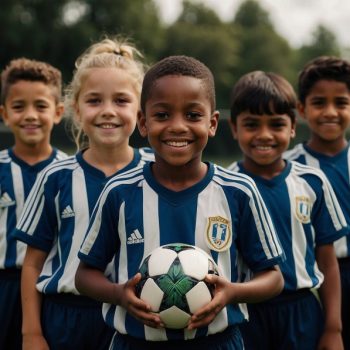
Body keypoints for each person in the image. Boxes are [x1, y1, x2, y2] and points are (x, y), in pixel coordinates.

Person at [74, 55, 284, 350]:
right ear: (143, 123)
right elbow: (84, 275)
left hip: (217, 342)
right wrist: (120, 294)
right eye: (162, 116)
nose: (177, 126)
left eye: (193, 115)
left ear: (212, 124)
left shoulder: (239, 191)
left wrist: (233, 293)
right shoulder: (119, 192)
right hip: (134, 341)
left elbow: (273, 278)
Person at [13, 37, 153, 350]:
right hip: (66, 319)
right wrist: (31, 333)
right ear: (76, 109)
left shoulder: (157, 172)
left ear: (141, 111)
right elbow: (33, 264)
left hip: (134, 318)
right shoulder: (56, 177)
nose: (107, 111)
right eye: (94, 101)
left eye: (120, 100)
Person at [228, 70, 349, 350]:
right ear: (234, 128)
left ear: (293, 127)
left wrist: (333, 327)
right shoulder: (226, 187)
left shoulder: (312, 182)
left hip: (302, 310)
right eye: (251, 124)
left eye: (276, 124)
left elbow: (327, 262)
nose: (264, 135)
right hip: (247, 312)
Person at [0, 58, 66, 350]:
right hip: (4, 287)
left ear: (58, 112)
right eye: (18, 107)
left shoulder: (69, 171)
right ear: (4, 114)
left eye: (40, 106)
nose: (30, 115)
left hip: (52, 287)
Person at [284, 56, 350, 350]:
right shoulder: (287, 167)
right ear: (301, 109)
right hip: (314, 285)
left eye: (342, 103)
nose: (331, 112)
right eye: (319, 102)